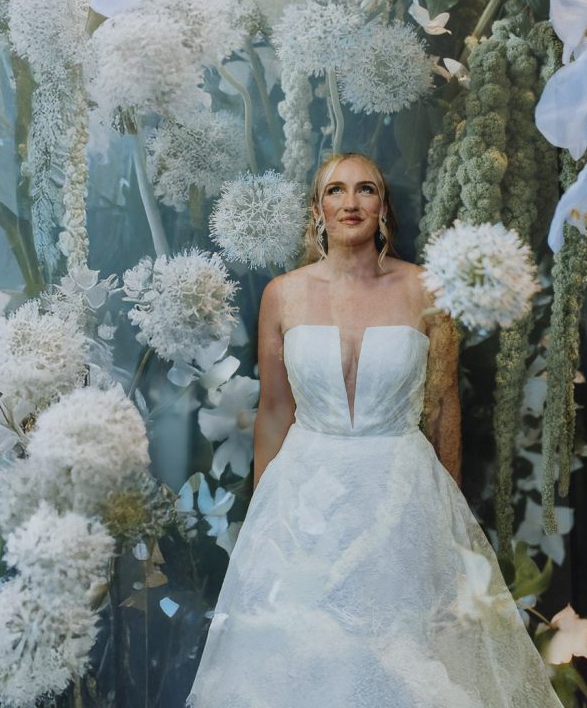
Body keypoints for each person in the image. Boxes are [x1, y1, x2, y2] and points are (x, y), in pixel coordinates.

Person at [186, 152, 563, 708]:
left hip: (402, 489)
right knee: (304, 655)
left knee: (406, 652)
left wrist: (446, 526)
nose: (351, 202)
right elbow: (272, 410)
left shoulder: (426, 290)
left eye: (365, 190)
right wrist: (265, 519)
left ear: (381, 207)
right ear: (318, 209)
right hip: (308, 491)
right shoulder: (282, 294)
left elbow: (442, 408)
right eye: (336, 191)